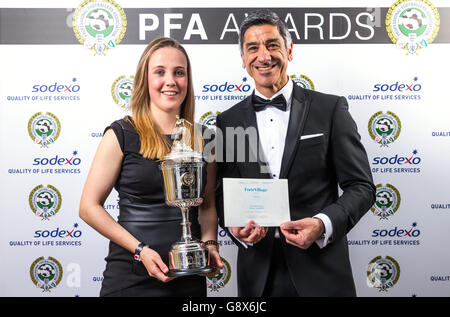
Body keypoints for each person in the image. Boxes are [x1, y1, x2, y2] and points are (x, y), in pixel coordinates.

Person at [215, 10, 376, 296]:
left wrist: (322, 224)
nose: (263, 56)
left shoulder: (330, 110)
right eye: (252, 48)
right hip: (258, 277)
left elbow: (361, 187)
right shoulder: (227, 121)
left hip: (322, 270)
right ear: (243, 59)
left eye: (272, 45)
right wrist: (236, 229)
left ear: (289, 50)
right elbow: (221, 193)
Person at [79, 37, 223, 297]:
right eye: (160, 72)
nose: (171, 81)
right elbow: (88, 208)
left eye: (179, 72)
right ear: (145, 80)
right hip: (131, 275)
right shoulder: (121, 134)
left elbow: (208, 206)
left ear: (188, 81)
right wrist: (140, 250)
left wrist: (210, 243)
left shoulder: (206, 139)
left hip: (187, 278)